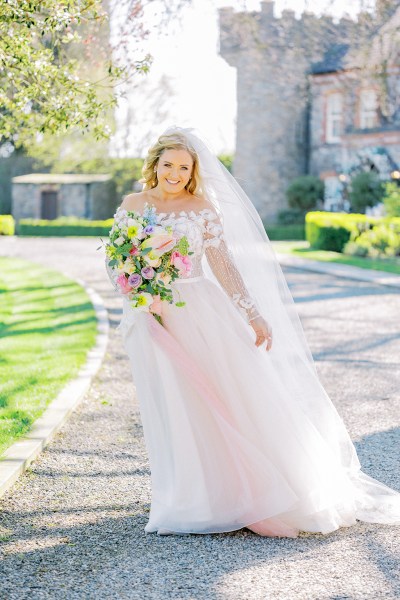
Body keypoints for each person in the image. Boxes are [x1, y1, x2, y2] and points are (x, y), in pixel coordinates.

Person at [106, 126, 400, 537]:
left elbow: (224, 265)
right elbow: (117, 260)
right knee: (172, 404)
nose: (174, 173)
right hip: (151, 316)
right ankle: (188, 497)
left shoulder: (202, 207)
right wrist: (138, 289)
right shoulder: (134, 204)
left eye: (183, 167)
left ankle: (248, 494)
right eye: (167, 164)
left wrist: (252, 313)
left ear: (193, 172)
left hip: (199, 312)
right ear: (155, 164)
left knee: (222, 396)